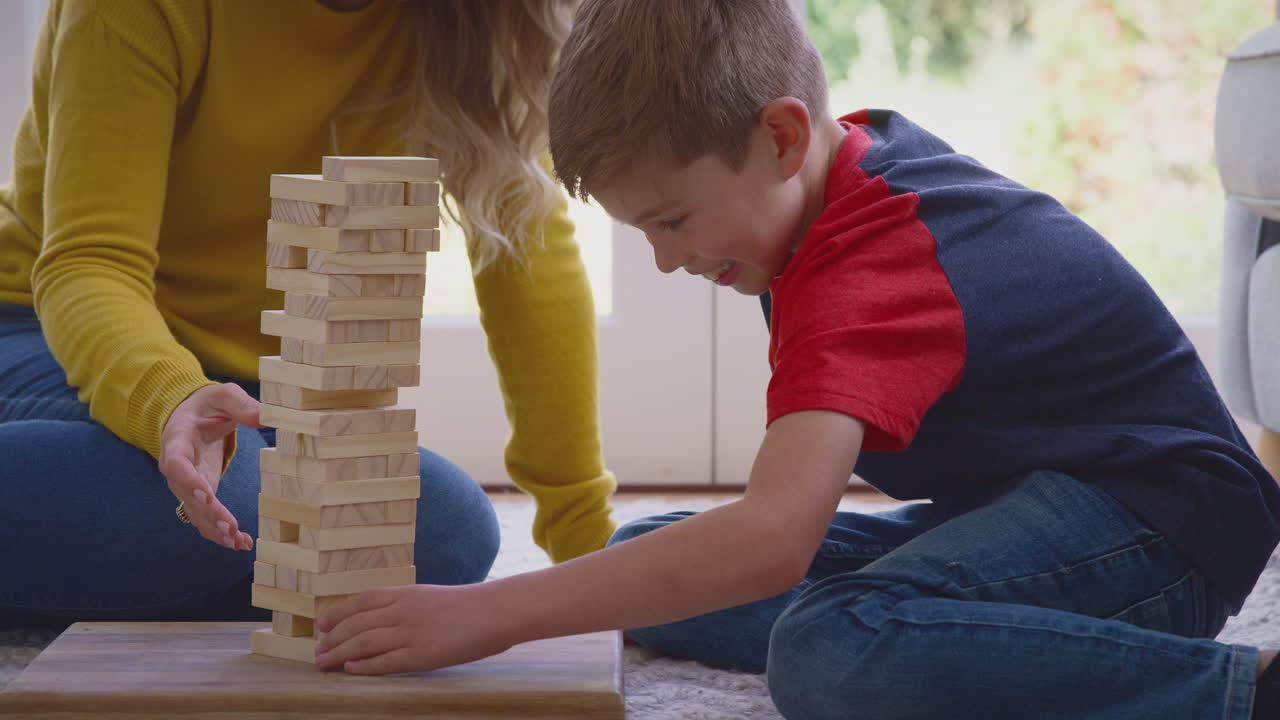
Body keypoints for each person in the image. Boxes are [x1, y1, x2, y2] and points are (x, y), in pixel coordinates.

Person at [312, 1, 1280, 717]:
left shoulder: (872, 265)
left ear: (779, 135)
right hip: (1033, 500)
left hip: (1162, 531)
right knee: (639, 560)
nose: (667, 259)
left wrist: (492, 615)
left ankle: (1237, 691)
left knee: (827, 652)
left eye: (671, 220)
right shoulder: (837, 172)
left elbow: (774, 536)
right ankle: (961, 632)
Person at [0, 0, 618, 625]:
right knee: (224, 503)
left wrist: (585, 541)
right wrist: (169, 401)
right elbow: (90, 261)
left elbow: (529, 263)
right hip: (42, 333)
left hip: (249, 391)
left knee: (443, 528)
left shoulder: (473, 20)